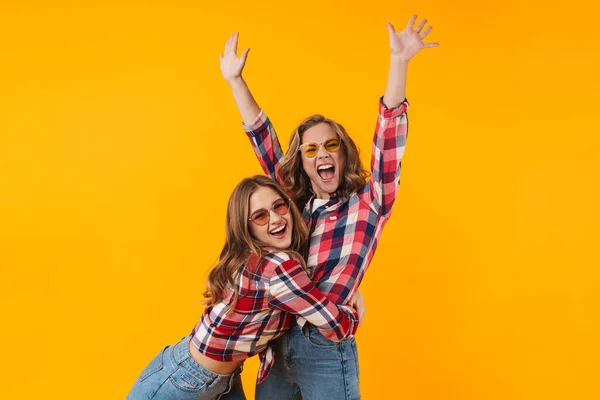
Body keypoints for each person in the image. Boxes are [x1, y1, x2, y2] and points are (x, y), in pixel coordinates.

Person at [219, 15, 438, 399]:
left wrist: (399, 63)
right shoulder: (290, 206)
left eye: (331, 145)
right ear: (301, 161)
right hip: (275, 344)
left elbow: (389, 140)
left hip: (322, 344)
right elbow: (263, 138)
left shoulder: (369, 204)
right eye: (311, 149)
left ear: (344, 152)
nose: (322, 153)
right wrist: (236, 81)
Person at [127, 175, 360, 400]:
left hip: (216, 379)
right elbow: (338, 326)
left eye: (279, 206)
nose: (276, 219)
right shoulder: (279, 268)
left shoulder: (255, 257)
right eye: (260, 216)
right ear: (245, 227)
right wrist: (353, 303)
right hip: (184, 379)